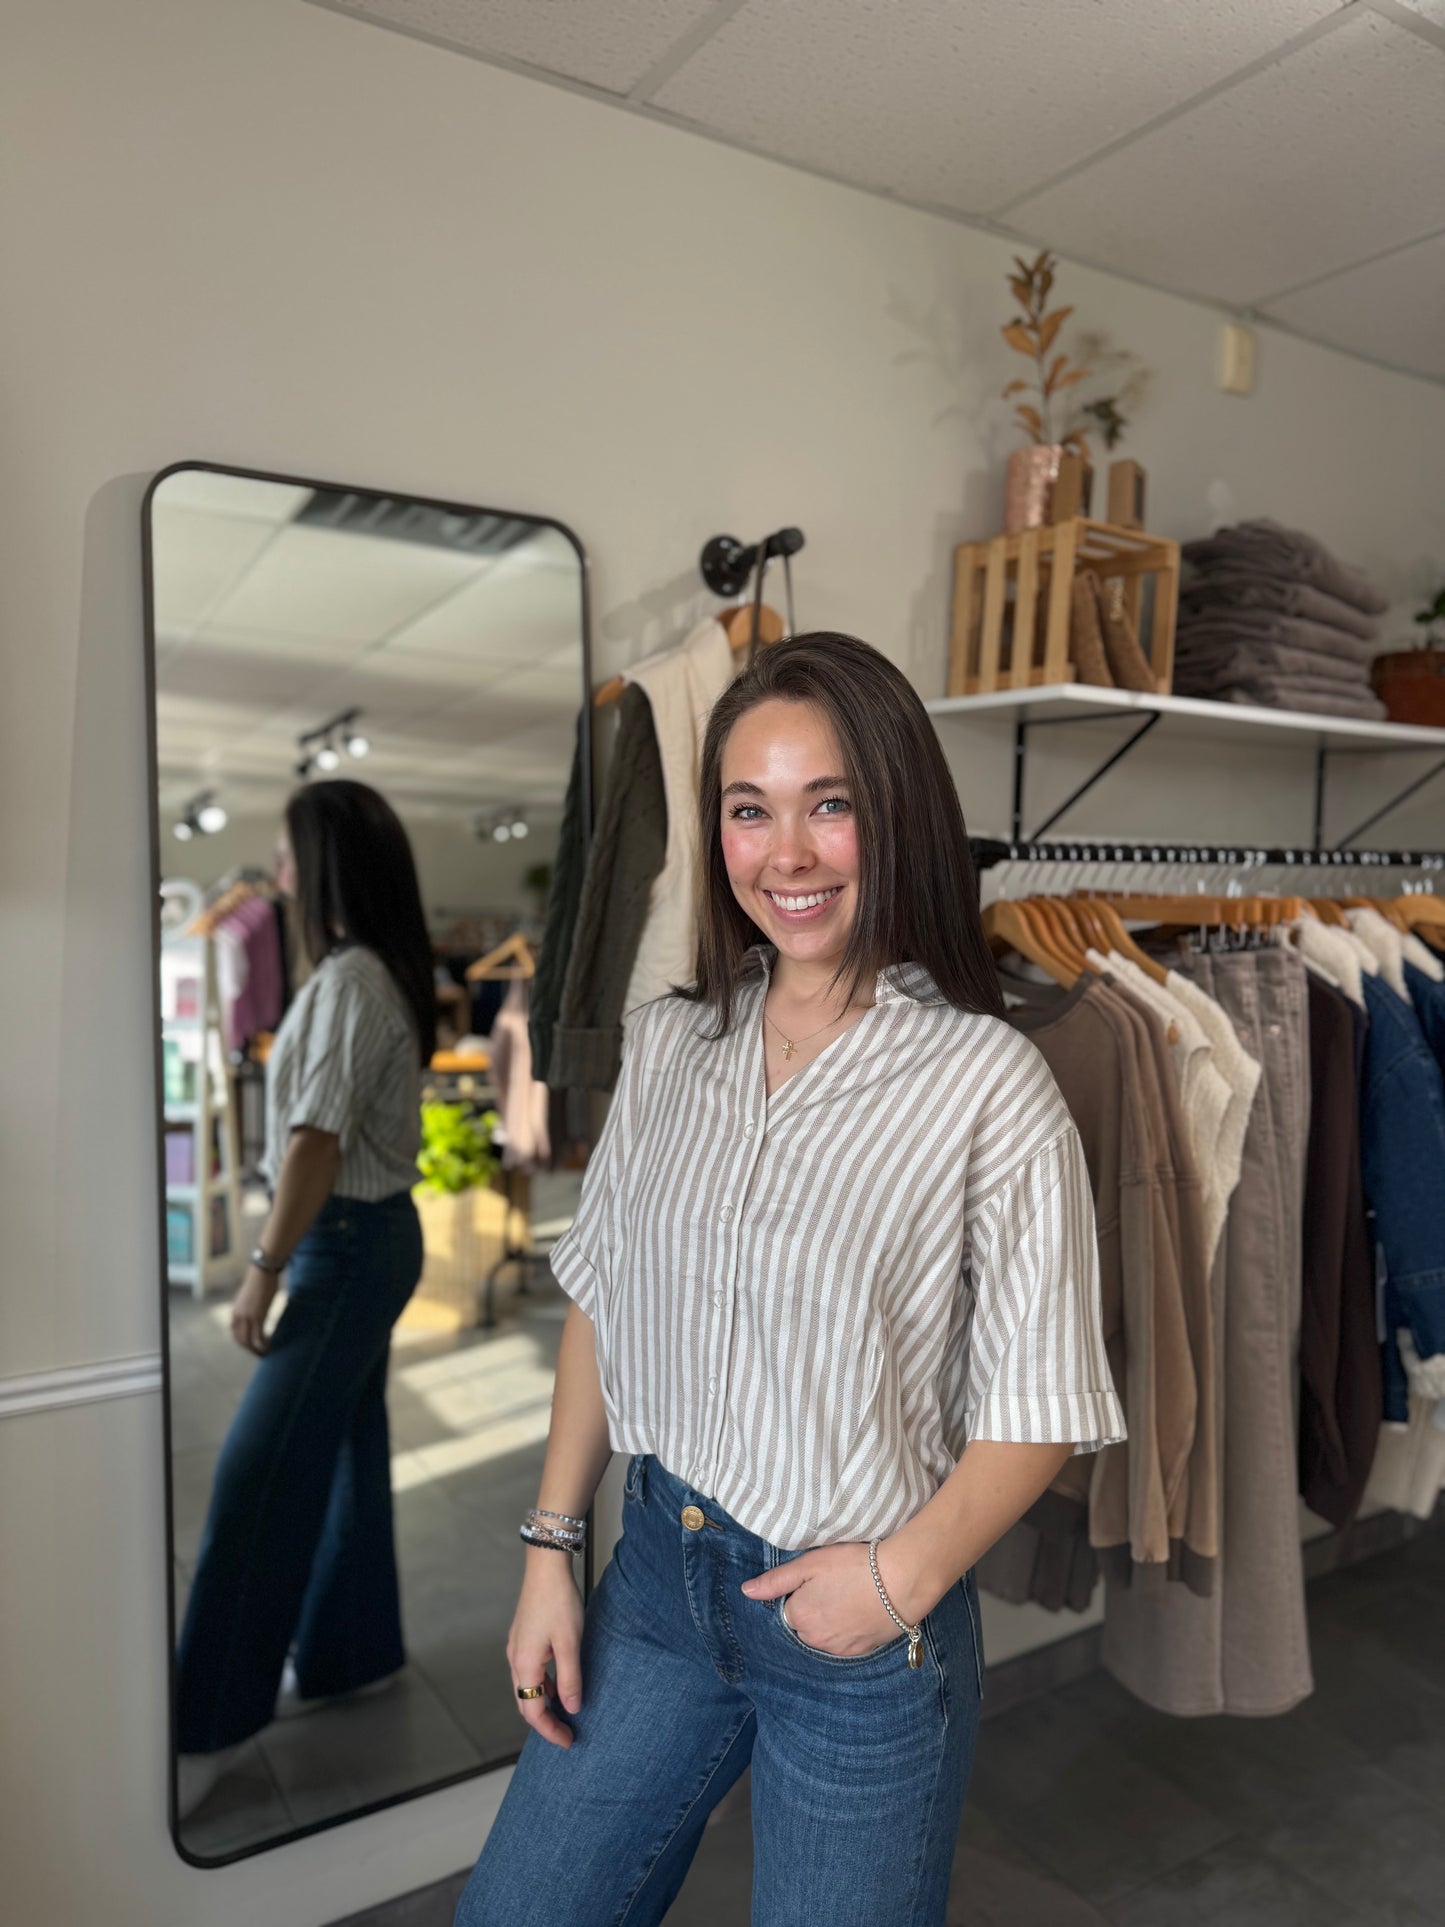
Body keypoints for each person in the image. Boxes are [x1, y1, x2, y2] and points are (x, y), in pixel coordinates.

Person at [455, 634, 1124, 1925]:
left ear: (898, 811)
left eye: (831, 804)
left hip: (860, 1624)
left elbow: (1040, 1396)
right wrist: (552, 1542)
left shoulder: (986, 1082)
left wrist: (896, 1582)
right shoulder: (670, 1041)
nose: (788, 853)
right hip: (656, 1573)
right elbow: (604, 1292)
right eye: (748, 809)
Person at [175, 780, 435, 1818]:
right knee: (341, 1450)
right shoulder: (368, 975)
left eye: (286, 854)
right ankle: (351, 1652)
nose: (275, 874)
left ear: (321, 862)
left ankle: (209, 1726)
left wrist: (261, 1269)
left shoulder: (344, 982)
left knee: (256, 1476)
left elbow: (313, 1145)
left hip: (344, 1245)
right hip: (370, 1239)